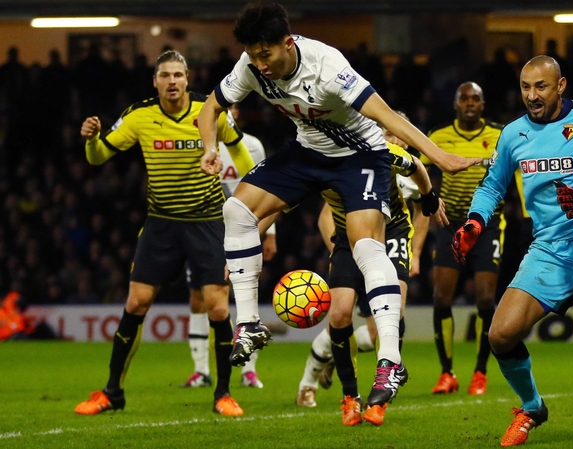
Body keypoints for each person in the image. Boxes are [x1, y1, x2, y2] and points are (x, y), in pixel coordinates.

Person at [197, 1, 479, 425]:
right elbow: (208, 109)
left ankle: (390, 361)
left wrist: (438, 155)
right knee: (236, 209)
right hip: (308, 150)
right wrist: (206, 150)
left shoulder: (327, 65)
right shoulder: (250, 66)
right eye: (253, 55)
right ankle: (250, 324)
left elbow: (384, 115)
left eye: (266, 54)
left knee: (366, 247)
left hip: (360, 156)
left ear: (287, 43)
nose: (260, 64)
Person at [452, 55, 573, 449]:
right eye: (525, 87)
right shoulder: (512, 134)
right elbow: (492, 185)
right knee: (500, 335)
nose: (531, 95)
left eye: (540, 87)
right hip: (550, 246)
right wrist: (475, 222)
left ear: (560, 86)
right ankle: (532, 407)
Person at [74, 50, 255, 417]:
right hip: (161, 223)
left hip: (207, 222)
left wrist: (255, 205)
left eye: (178, 75)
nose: (172, 81)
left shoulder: (210, 111)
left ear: (187, 79)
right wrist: (91, 140)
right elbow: (97, 158)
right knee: (136, 303)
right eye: (165, 75)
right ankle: (112, 392)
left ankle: (223, 394)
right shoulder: (139, 115)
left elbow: (244, 157)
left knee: (218, 308)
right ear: (154, 81)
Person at [296, 117, 441, 428]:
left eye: (400, 135)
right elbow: (324, 216)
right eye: (391, 133)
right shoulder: (334, 159)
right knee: (339, 315)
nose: (397, 140)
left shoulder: (388, 156)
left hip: (393, 234)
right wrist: (337, 250)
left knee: (394, 314)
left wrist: (417, 244)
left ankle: (382, 399)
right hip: (349, 241)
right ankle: (350, 397)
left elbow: (418, 171)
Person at [183, 103, 274, 389]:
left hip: (244, 229)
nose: (227, 113)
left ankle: (250, 370)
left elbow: (267, 190)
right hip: (204, 229)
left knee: (245, 294)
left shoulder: (253, 146)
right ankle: (201, 371)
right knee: (199, 299)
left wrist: (271, 233)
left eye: (231, 109)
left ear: (237, 115)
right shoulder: (202, 146)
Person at [424, 82, 504, 396]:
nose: (470, 103)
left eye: (476, 99)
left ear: (483, 105)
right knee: (442, 298)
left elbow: (514, 174)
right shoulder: (438, 136)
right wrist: (427, 200)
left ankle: (480, 373)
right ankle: (447, 373)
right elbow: (422, 171)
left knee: (485, 299)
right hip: (449, 223)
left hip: (488, 224)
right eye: (464, 98)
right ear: (456, 104)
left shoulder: (499, 136)